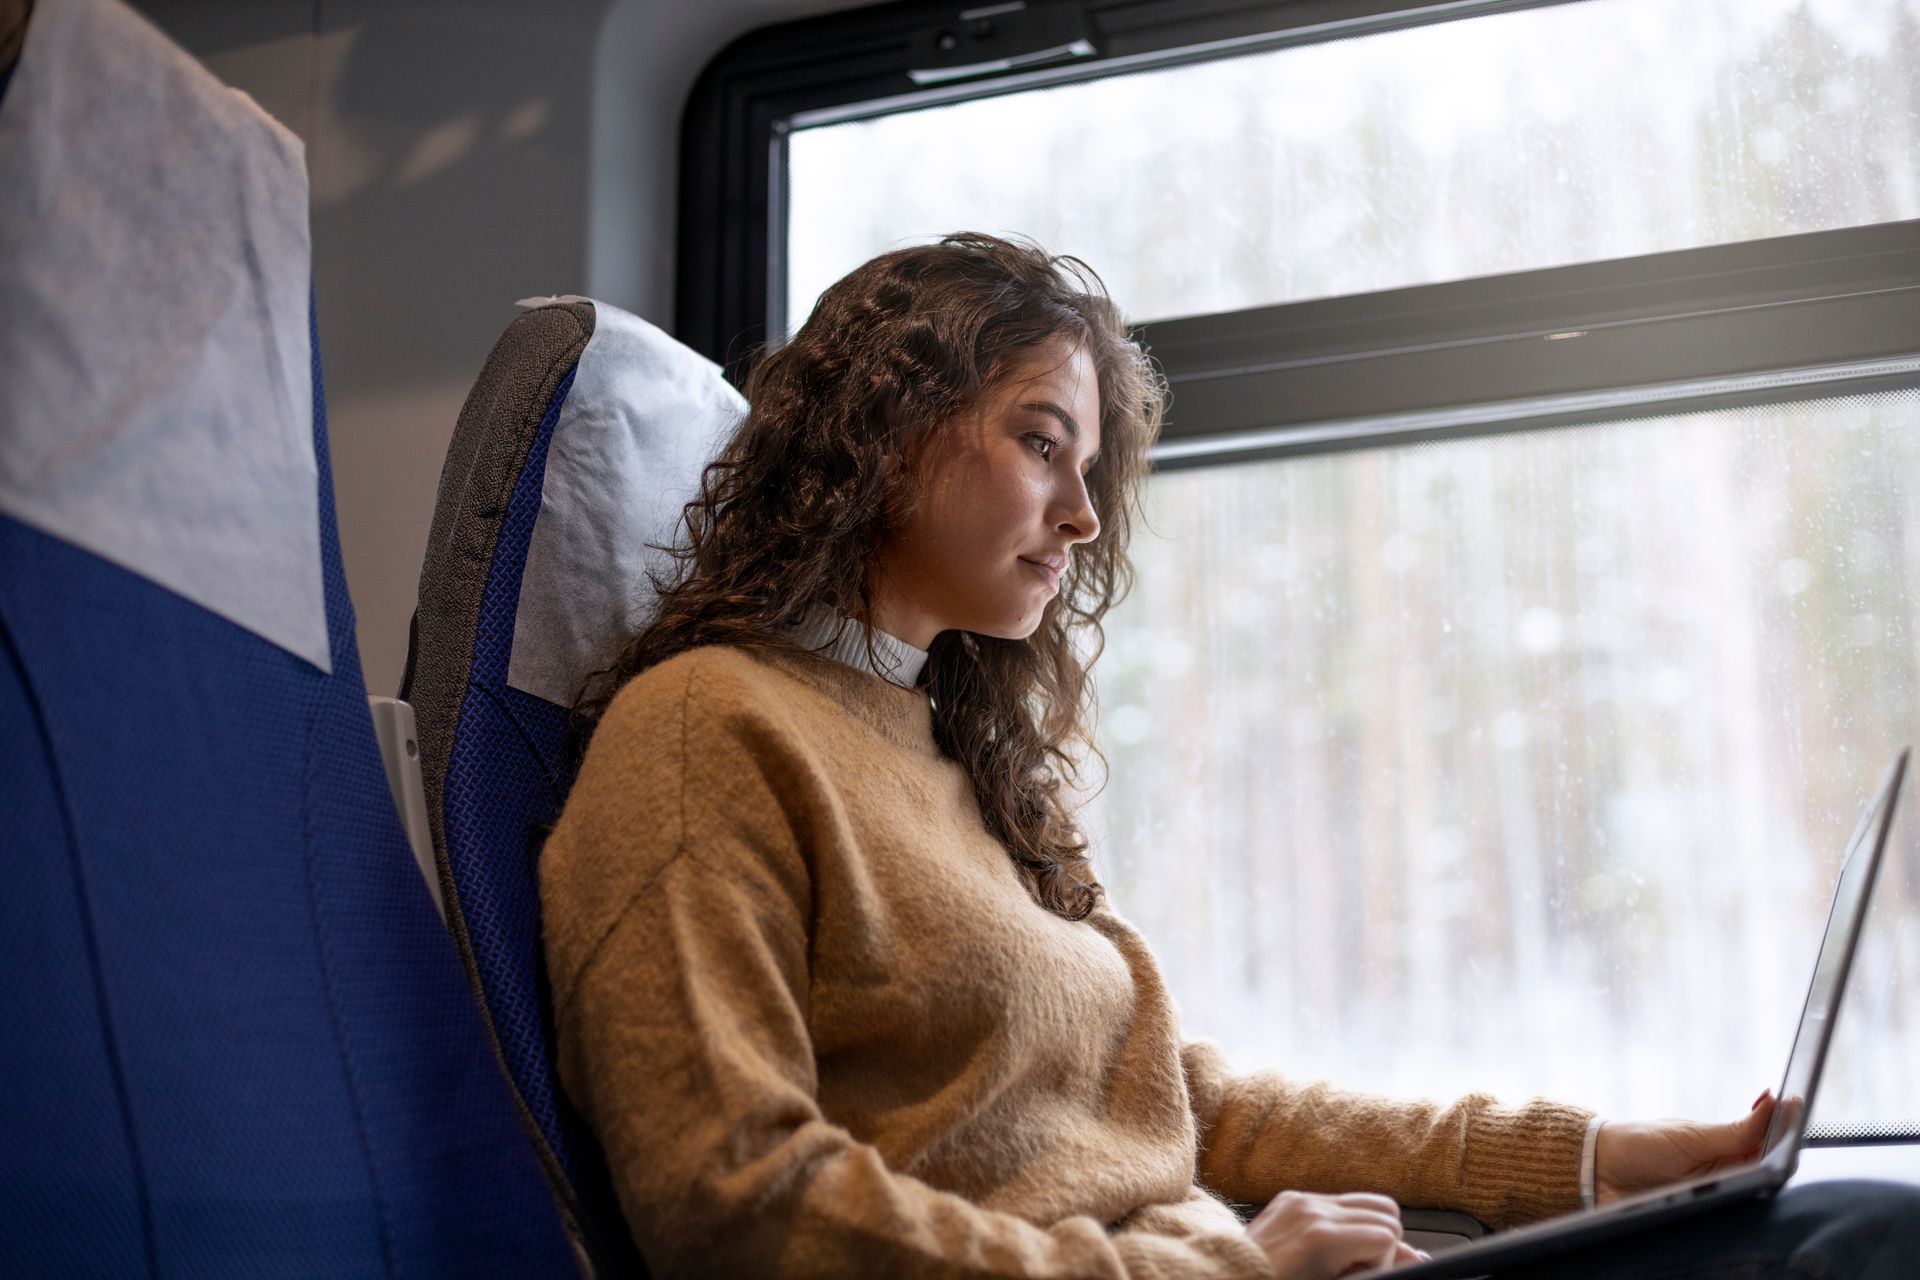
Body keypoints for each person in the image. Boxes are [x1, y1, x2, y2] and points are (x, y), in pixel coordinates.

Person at [537, 231, 1920, 1278]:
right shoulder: (706, 733)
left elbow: (1179, 1102)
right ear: (885, 434)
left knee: (1854, 1219)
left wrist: (1594, 1157)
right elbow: (732, 1200)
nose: (1083, 519)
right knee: (1856, 1246)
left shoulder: (959, 756)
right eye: (1041, 443)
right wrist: (1227, 1267)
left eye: (1093, 474)